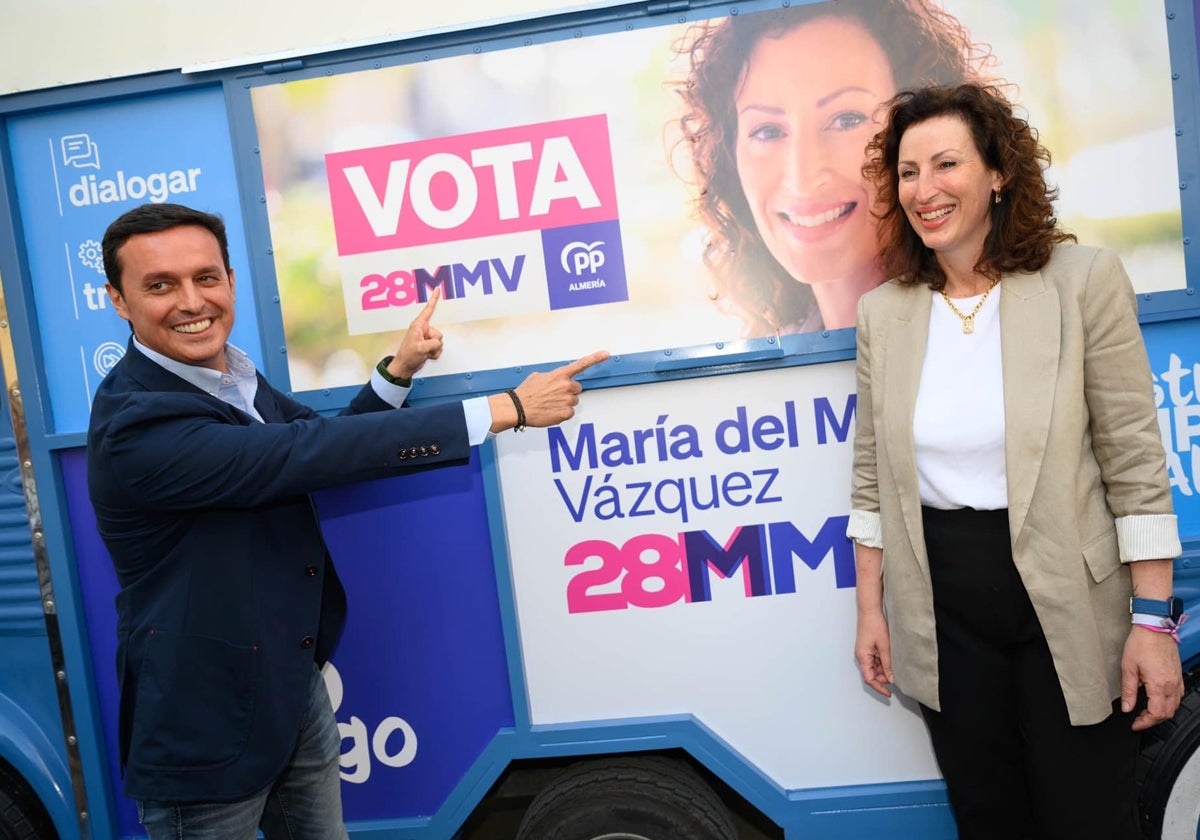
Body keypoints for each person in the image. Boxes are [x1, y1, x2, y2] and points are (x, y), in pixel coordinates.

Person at [87, 202, 608, 839]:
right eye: (160, 285)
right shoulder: (137, 423)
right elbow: (297, 455)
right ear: (118, 300)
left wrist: (396, 373)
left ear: (229, 280)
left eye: (207, 278)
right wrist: (504, 409)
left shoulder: (233, 379)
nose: (192, 301)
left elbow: (313, 450)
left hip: (290, 683)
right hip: (206, 721)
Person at [848, 83, 1183, 838]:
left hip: (1068, 597)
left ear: (998, 172)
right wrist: (872, 608)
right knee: (990, 819)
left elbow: (1134, 466)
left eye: (945, 165)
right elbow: (871, 475)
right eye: (907, 172)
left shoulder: (1082, 283)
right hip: (943, 604)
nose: (925, 191)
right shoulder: (885, 314)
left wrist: (1153, 624)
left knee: (1088, 818)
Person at [673, 0, 990, 337]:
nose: (803, 177)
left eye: (846, 120)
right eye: (767, 131)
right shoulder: (771, 366)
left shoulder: (995, 330)